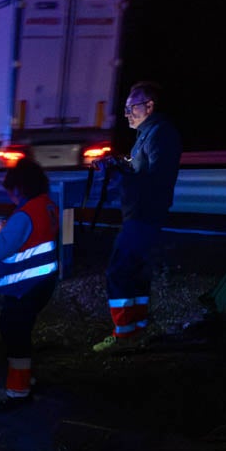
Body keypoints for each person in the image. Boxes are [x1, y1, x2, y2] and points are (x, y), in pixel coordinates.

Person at [92, 81, 182, 352]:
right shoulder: (149, 133)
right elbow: (143, 169)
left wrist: (120, 174)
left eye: (132, 108)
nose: (127, 114)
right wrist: (120, 164)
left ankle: (123, 336)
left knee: (117, 272)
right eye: (126, 109)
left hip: (143, 214)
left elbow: (155, 178)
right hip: (144, 213)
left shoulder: (159, 133)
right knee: (136, 272)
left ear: (149, 106)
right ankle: (137, 329)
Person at [0, 158, 59, 402]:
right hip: (43, 283)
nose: (10, 197)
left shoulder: (24, 215)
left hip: (25, 287)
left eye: (11, 192)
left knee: (15, 335)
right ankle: (25, 379)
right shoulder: (47, 206)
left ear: (19, 189)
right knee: (17, 331)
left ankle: (18, 391)